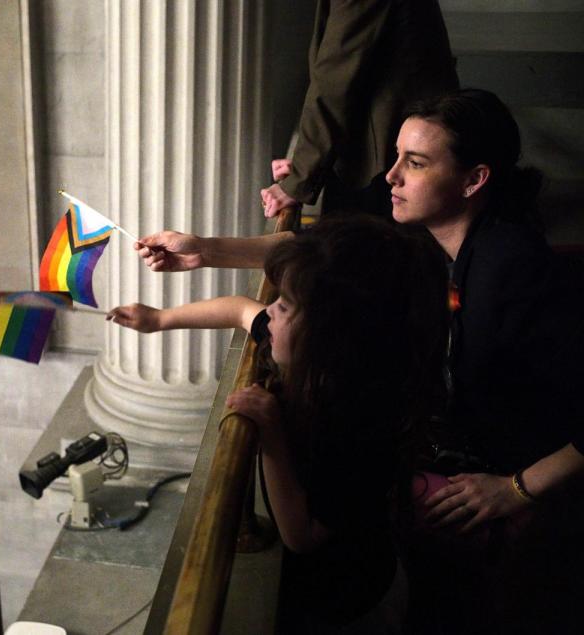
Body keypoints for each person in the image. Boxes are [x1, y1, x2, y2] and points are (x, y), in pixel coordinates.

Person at [109, 216, 448, 632]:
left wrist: (270, 431)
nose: (269, 310)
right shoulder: (326, 359)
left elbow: (301, 534)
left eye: (284, 305)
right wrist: (159, 319)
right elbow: (238, 309)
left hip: (353, 606)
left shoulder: (358, 420)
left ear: (330, 332)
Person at [385, 88, 584, 633]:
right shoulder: (445, 242)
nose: (391, 176)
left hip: (536, 497)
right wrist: (208, 249)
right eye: (397, 156)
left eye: (415, 163)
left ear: (473, 181)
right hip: (477, 459)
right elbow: (336, 250)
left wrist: (514, 488)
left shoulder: (510, 268)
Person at [261, 0, 458, 219]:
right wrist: (305, 166)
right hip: (385, 155)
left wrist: (300, 178)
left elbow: (334, 79)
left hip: (385, 165)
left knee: (366, 250)